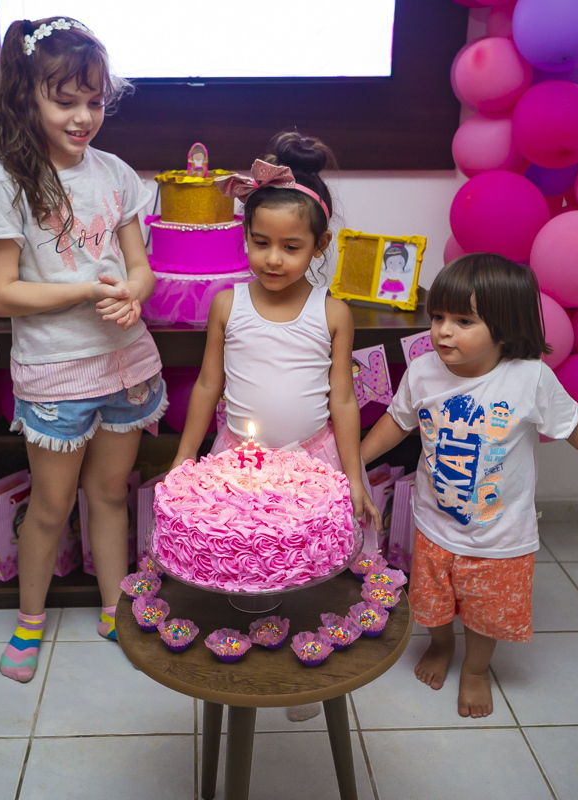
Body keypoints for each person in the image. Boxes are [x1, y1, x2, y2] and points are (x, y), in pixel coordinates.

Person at [360, 253, 578, 718]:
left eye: (463, 321)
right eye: (438, 318)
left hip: (500, 536)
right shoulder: (422, 371)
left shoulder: (529, 378)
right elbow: (397, 422)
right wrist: (352, 461)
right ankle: (441, 645)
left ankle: (476, 669)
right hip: (435, 524)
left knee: (486, 612)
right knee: (432, 603)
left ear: (503, 326)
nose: (443, 332)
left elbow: (577, 426)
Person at [0, 17, 166, 682]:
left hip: (126, 364)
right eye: (66, 100)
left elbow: (140, 270)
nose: (84, 117)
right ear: (26, 96)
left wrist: (131, 295)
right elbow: (1, 293)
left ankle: (115, 611)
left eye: (94, 101)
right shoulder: (5, 181)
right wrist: (86, 291)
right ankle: (29, 622)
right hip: (55, 372)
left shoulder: (117, 174)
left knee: (110, 493)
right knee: (51, 506)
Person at [170, 131, 379, 722]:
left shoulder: (333, 312)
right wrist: (185, 456)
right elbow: (207, 386)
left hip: (315, 460)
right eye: (260, 243)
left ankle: (305, 666)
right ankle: (245, 655)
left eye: (291, 246)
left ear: (320, 245)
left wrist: (354, 475)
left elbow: (343, 400)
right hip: (238, 458)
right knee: (248, 563)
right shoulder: (227, 304)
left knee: (308, 570)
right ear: (245, 237)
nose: (273, 259)